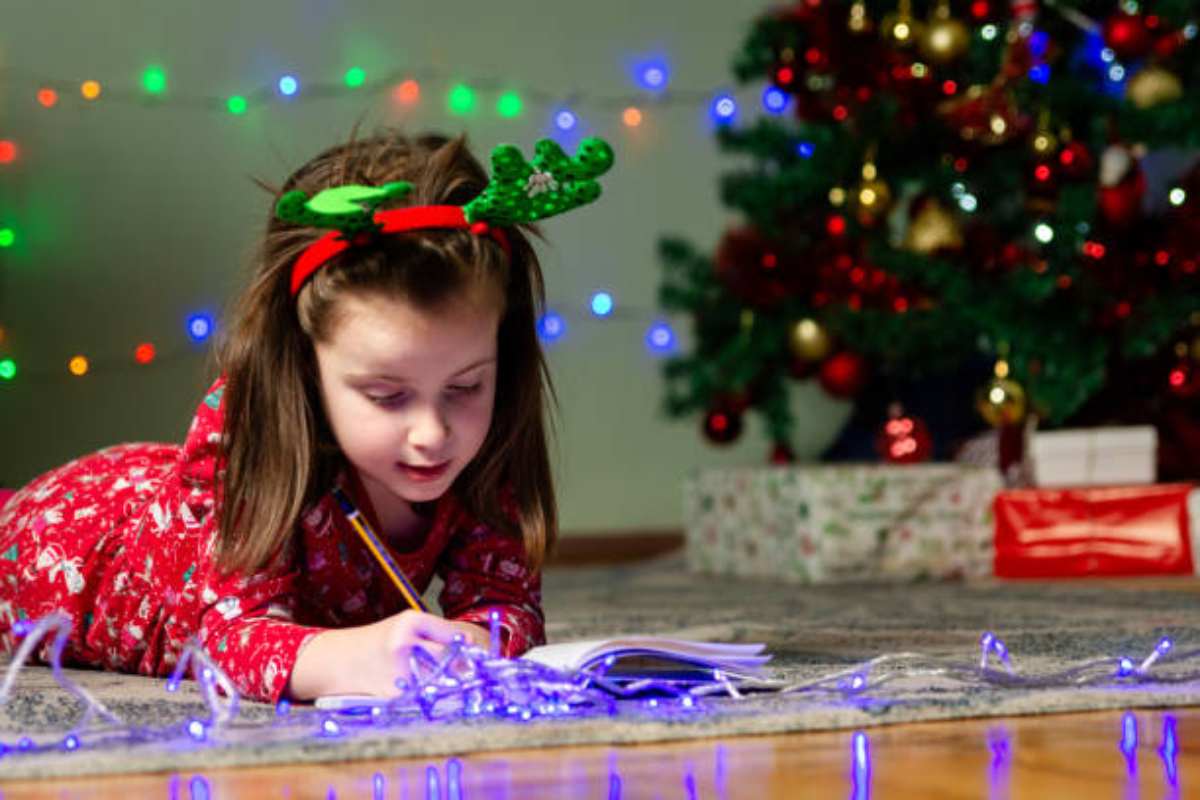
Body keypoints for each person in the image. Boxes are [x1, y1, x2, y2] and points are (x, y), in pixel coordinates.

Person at [0, 129, 614, 703]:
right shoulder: (251, 439)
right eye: (386, 396)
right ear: (305, 367)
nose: (434, 432)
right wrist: (355, 655)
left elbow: (506, 603)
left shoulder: (486, 439)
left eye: (466, 385)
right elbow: (231, 638)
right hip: (63, 544)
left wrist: (477, 641)